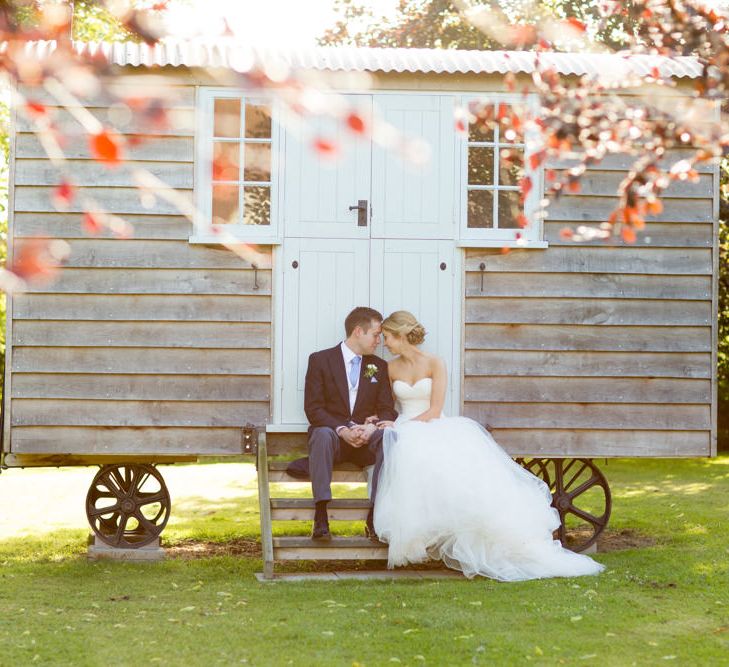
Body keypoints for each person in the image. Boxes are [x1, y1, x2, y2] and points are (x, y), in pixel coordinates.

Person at [373, 310, 605, 581]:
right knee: (406, 456)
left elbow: (435, 410)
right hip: (404, 426)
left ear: (401, 336)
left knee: (449, 469)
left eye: (387, 337)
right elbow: (386, 406)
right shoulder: (390, 368)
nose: (384, 343)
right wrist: (386, 422)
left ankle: (487, 538)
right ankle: (416, 538)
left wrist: (406, 426)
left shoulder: (435, 363)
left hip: (430, 425)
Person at [303, 307, 398, 540]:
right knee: (322, 434)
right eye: (376, 334)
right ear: (358, 331)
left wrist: (371, 427)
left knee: (390, 438)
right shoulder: (320, 360)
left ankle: (375, 514)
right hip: (334, 440)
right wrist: (343, 429)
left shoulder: (379, 366)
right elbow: (313, 408)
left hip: (366, 442)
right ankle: (321, 514)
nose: (379, 341)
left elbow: (387, 409)